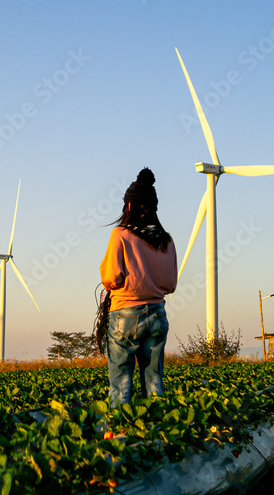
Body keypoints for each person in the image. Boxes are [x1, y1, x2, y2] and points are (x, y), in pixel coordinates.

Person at [99, 167, 177, 407]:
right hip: (157, 314)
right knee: (154, 379)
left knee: (121, 382)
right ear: (153, 208)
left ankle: (121, 436)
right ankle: (155, 433)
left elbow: (110, 277)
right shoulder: (166, 239)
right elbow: (170, 284)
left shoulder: (120, 234)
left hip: (126, 315)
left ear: (129, 207)